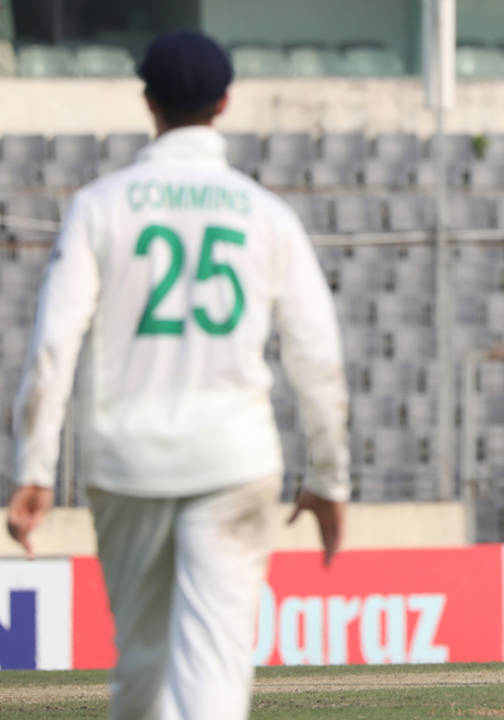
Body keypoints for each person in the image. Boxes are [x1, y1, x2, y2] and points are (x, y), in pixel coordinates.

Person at [5, 31, 349, 720]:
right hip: (233, 459)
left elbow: (54, 344)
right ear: (223, 103)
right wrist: (330, 480)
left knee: (141, 667)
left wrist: (36, 468)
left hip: (127, 462)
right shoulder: (266, 215)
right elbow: (318, 357)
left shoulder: (100, 205)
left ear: (148, 102)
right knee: (215, 669)